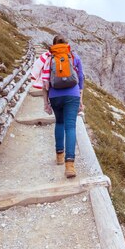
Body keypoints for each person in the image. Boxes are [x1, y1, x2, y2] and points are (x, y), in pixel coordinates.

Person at [42, 34, 84, 178]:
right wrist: (81, 100)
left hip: (55, 95)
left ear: (54, 45)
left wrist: (45, 102)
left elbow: (45, 82)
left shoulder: (49, 58)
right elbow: (81, 79)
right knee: (70, 127)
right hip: (72, 95)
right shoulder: (74, 57)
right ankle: (70, 167)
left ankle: (59, 156)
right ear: (66, 45)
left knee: (59, 123)